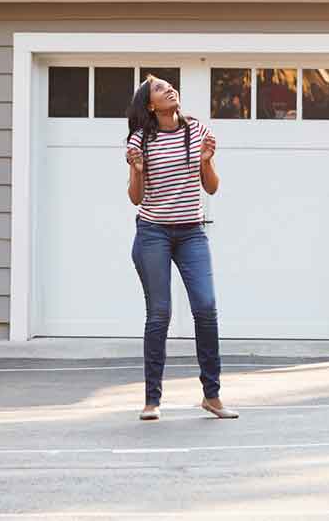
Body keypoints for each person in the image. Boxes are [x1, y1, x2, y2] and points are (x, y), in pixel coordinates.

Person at [126, 75, 238, 421]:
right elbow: (135, 198)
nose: (169, 89)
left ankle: (212, 396)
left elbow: (213, 188)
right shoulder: (140, 139)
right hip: (152, 233)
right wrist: (137, 170)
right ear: (150, 105)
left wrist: (206, 160)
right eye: (160, 89)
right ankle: (151, 400)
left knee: (206, 307)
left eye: (169, 85)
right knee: (160, 314)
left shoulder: (197, 130)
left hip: (192, 232)